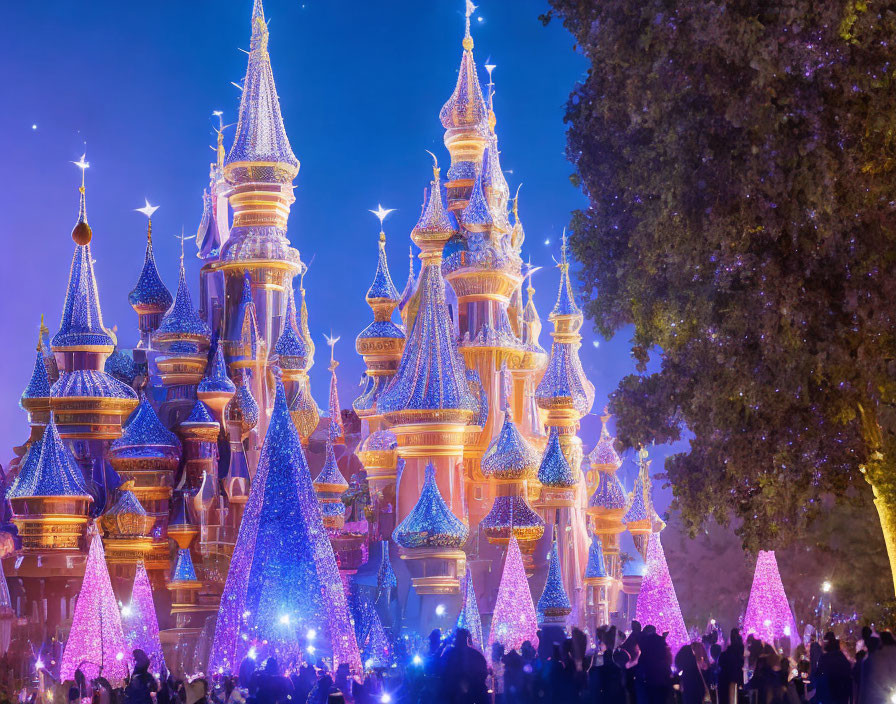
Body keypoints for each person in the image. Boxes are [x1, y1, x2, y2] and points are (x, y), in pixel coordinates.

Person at [437, 629, 489, 704]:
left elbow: (440, 670)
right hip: (471, 696)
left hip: (454, 696)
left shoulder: (449, 654)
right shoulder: (476, 655)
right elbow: (483, 673)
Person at [814, 634, 852, 704]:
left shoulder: (824, 658)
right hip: (842, 695)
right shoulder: (842, 658)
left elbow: (819, 676)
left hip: (829, 696)